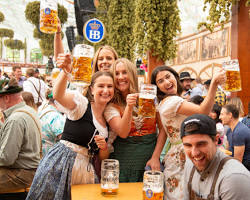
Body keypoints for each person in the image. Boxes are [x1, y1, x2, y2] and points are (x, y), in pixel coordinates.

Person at [26, 53, 114, 199]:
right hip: (61, 163)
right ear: (92, 89)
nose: (106, 90)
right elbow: (58, 95)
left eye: (110, 86)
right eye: (101, 86)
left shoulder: (107, 120)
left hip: (85, 169)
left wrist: (103, 147)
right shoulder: (81, 105)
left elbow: (103, 157)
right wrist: (66, 71)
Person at [147, 65, 226, 200]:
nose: (166, 82)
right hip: (183, 154)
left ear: (175, 77)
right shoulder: (171, 101)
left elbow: (164, 132)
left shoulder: (167, 102)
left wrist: (155, 157)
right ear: (157, 87)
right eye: (160, 81)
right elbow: (203, 112)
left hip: (182, 152)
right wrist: (213, 84)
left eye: (168, 76)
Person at [104, 58, 157, 182]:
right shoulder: (111, 106)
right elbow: (123, 132)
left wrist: (155, 157)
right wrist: (129, 106)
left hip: (149, 159)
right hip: (124, 162)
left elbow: (162, 129)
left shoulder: (147, 96)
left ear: (132, 74)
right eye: (116, 74)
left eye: (124, 72)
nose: (120, 77)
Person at [181, 114, 250, 200]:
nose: (194, 153)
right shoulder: (190, 162)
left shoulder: (234, 178)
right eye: (188, 145)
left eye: (201, 144)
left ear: (216, 140)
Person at [0, 78, 41, 193]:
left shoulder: (15, 119)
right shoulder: (28, 110)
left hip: (23, 174)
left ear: (6, 98)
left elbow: (6, 158)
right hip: (32, 170)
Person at [219, 104, 250, 170]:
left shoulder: (239, 132)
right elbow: (227, 152)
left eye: (222, 114)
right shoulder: (229, 130)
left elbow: (238, 162)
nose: (219, 117)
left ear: (230, 115)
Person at [38, 89, 65, 156]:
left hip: (40, 155)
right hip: (51, 157)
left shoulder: (42, 111)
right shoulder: (56, 117)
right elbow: (65, 142)